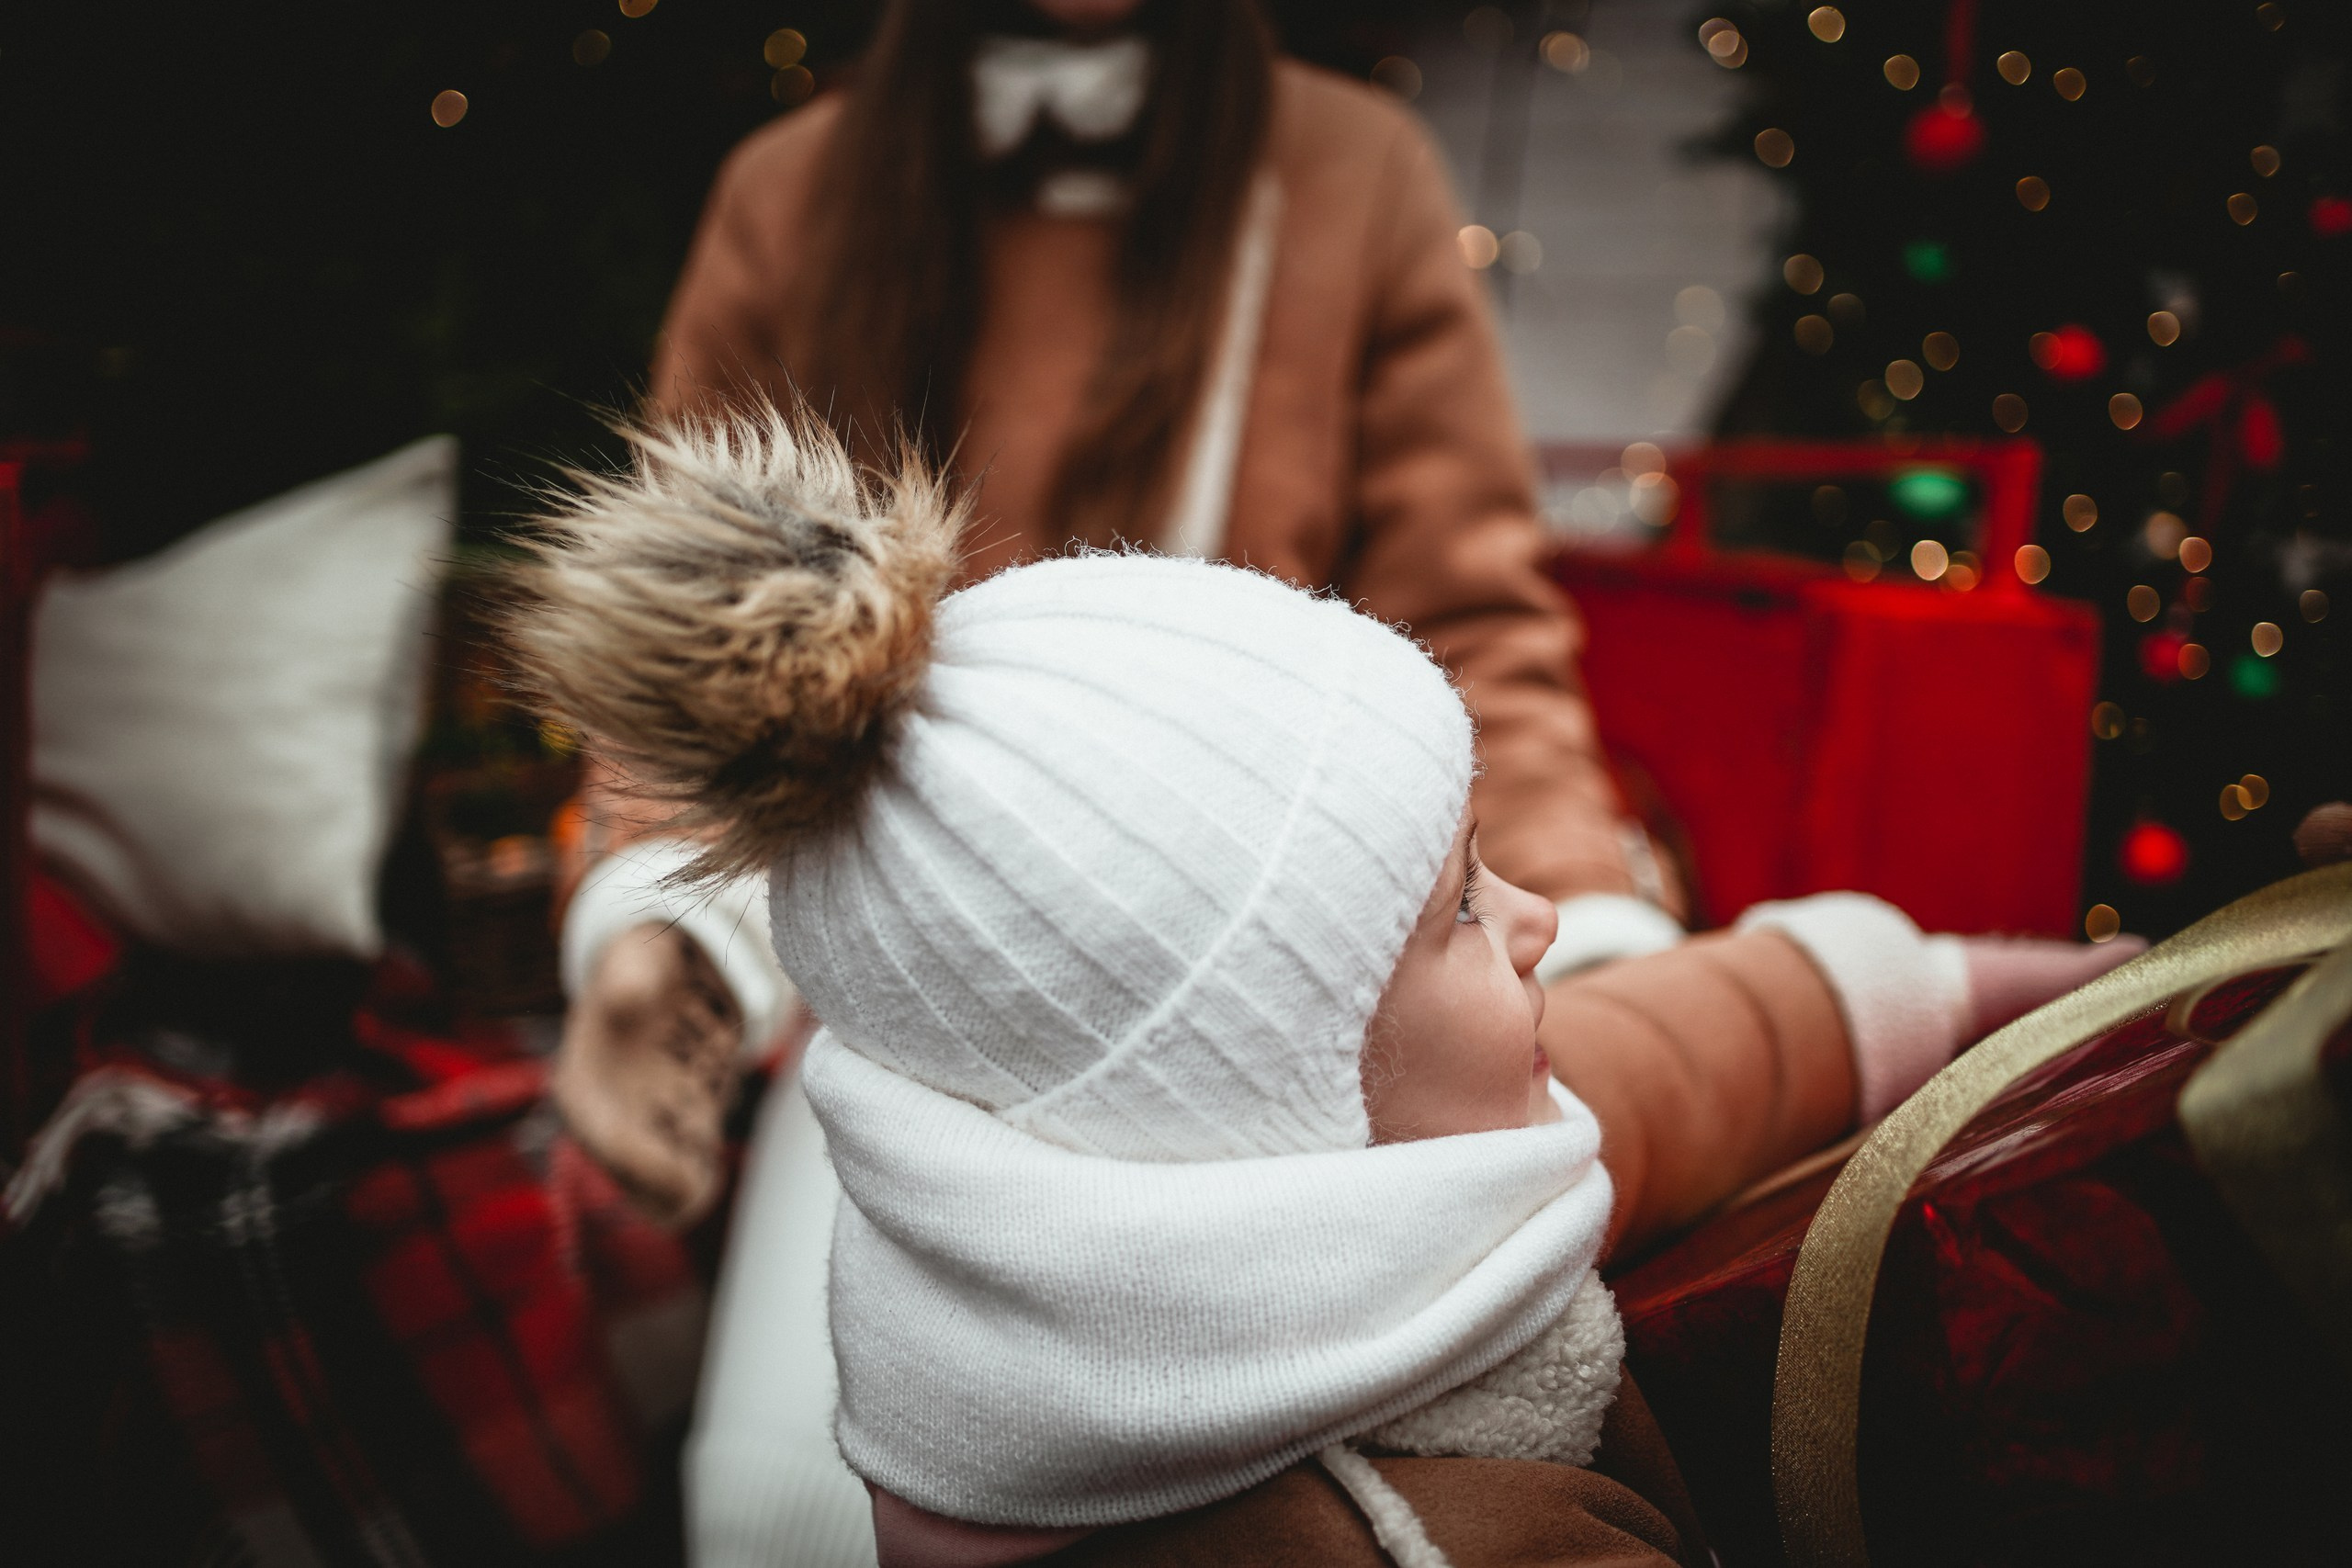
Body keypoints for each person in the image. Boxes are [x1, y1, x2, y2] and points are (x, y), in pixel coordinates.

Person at [509, 407, 2134, 1567]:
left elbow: (1701, 1045)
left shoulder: (1413, 1136)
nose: (1537, 922)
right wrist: (661, 941)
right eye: (1465, 908)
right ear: (1265, 1117)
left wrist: (2001, 989)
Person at [554, 0, 1694, 1234]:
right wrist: (668, 938)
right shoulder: (789, 192)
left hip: (1254, 1019)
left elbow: (1469, 633)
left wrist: (1587, 926)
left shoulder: (1353, 171)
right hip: (894, 1038)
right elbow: (704, 630)